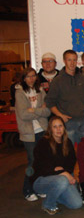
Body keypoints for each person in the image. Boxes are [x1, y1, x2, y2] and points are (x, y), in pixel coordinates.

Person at [30, 116, 82, 215]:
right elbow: (43, 168)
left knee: (77, 204)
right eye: (55, 127)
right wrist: (62, 172)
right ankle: (48, 205)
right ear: (50, 129)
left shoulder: (67, 142)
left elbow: (71, 162)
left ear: (64, 127)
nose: (58, 129)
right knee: (62, 180)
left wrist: (62, 171)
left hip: (61, 179)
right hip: (41, 180)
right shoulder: (43, 143)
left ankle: (55, 194)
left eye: (60, 126)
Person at [15, 67, 50, 202]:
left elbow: (47, 111)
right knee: (32, 161)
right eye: (28, 76)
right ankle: (27, 189)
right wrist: (38, 110)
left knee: (42, 161)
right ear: (23, 78)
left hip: (42, 130)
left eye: (33, 76)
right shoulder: (20, 93)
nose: (31, 79)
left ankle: (38, 188)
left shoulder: (40, 90)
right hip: (29, 134)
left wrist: (33, 110)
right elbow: (23, 114)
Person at [45, 49, 84, 145]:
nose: (72, 63)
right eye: (69, 60)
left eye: (74, 60)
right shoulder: (57, 81)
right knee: (68, 151)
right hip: (67, 123)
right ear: (64, 61)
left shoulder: (83, 79)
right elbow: (49, 102)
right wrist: (60, 116)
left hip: (83, 122)